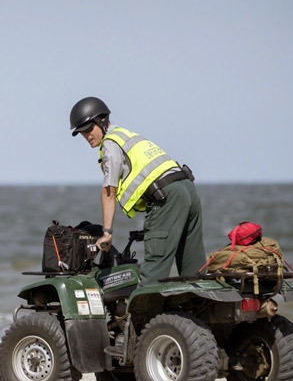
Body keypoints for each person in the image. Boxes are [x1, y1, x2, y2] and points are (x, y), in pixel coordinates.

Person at [69, 96, 205, 286]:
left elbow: (109, 190)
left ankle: (144, 315)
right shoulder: (128, 135)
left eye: (88, 129)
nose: (86, 135)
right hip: (187, 189)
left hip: (166, 196)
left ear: (101, 121)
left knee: (153, 272)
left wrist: (107, 233)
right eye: (81, 132)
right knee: (194, 269)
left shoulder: (109, 144)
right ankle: (200, 310)